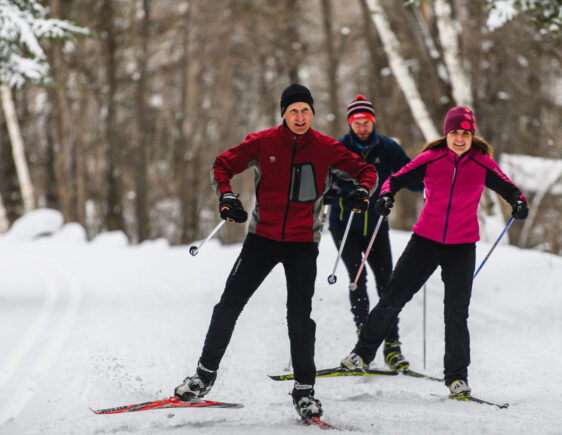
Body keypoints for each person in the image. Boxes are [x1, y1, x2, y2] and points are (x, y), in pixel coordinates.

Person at [173, 84, 378, 420]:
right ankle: (203, 377)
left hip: (303, 243)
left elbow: (366, 171)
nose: (300, 117)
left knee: (299, 318)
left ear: (312, 113)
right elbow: (222, 165)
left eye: (305, 111)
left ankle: (304, 391)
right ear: (283, 113)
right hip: (262, 239)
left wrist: (363, 191)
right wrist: (226, 196)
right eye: (293, 110)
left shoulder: (326, 148)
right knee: (228, 306)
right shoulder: (263, 142)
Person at [338, 106, 528, 397]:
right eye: (454, 133)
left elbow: (510, 189)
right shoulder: (431, 158)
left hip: (461, 247)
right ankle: (361, 354)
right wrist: (386, 196)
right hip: (425, 242)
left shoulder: (482, 163)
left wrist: (518, 202)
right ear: (446, 133)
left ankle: (457, 378)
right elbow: (394, 180)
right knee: (392, 299)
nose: (460, 139)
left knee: (456, 313)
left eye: (465, 134)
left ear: (472, 136)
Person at [326, 94, 421, 371]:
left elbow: (408, 174)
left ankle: (392, 346)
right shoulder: (339, 148)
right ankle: (363, 344)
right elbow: (325, 179)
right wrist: (331, 191)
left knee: (387, 285)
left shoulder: (388, 147)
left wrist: (428, 186)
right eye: (357, 123)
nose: (362, 127)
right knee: (358, 280)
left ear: (373, 122)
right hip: (345, 225)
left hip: (377, 226)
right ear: (350, 124)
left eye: (366, 122)